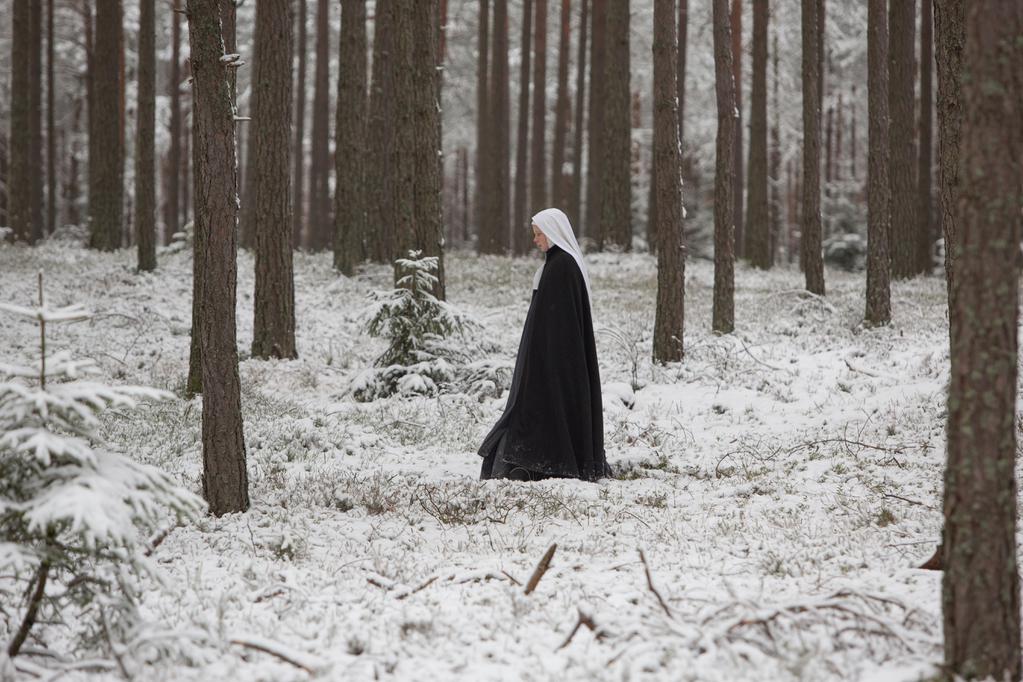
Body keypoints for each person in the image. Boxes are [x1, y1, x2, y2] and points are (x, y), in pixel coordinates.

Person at [478, 208, 611, 481]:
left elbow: (559, 323)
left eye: (539, 234)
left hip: (555, 360)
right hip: (551, 358)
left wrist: (543, 361)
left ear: (553, 233)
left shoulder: (562, 266)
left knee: (541, 406)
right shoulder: (557, 263)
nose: (536, 240)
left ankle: (539, 462)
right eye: (535, 233)